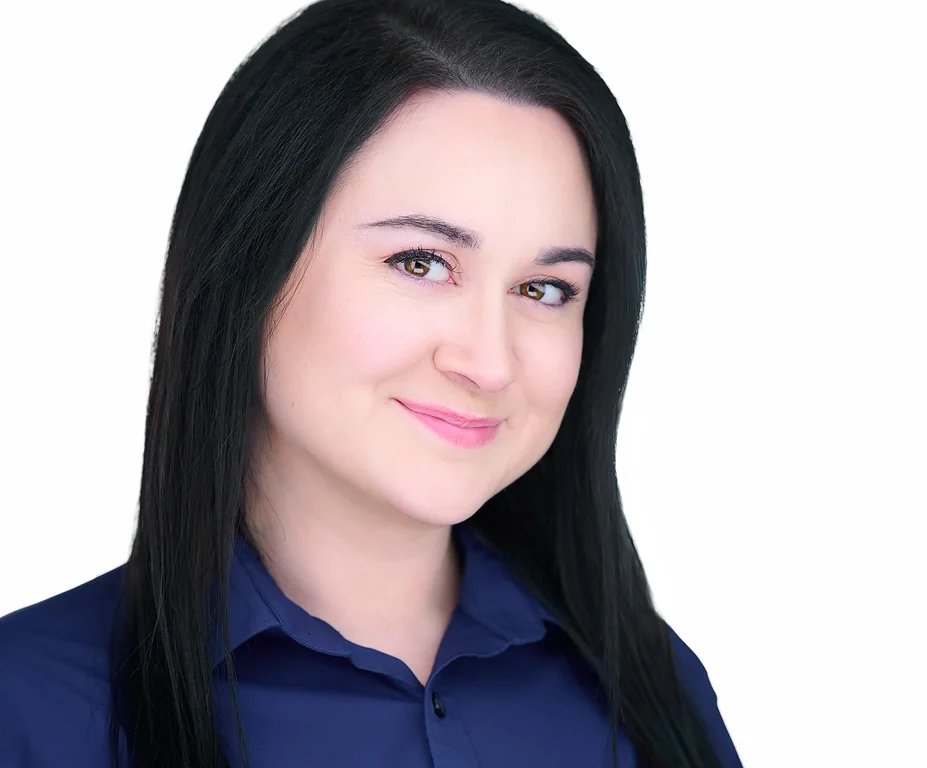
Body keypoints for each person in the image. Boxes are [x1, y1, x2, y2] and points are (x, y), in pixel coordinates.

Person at [0, 0, 743, 766]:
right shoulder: (28, 707)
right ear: (247, 266)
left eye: (545, 290)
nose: (489, 362)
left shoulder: (651, 693)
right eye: (420, 263)